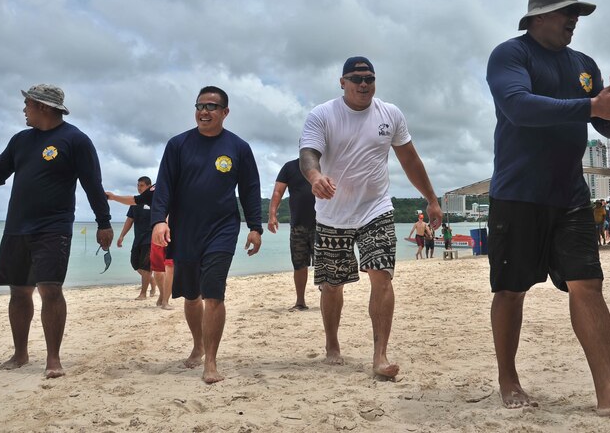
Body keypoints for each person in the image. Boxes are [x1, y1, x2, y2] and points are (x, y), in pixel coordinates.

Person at [486, 0, 610, 415]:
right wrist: (591, 107)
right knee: (511, 290)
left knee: (588, 284)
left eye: (578, 14)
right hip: (518, 194)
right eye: (567, 12)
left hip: (568, 195)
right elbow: (519, 106)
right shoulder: (511, 55)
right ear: (538, 16)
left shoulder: (583, 63)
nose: (575, 20)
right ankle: (508, 379)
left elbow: (603, 125)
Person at [0, 84, 114, 378]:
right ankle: (20, 354)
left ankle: (53, 359)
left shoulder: (75, 140)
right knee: (19, 292)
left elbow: (92, 183)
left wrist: (103, 222)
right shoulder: (21, 140)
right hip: (17, 227)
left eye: (27, 103)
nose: (23, 109)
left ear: (43, 106)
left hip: (54, 227)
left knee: (50, 290)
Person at [300, 56, 442, 379]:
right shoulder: (322, 115)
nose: (364, 84)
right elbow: (308, 154)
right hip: (332, 212)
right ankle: (332, 343)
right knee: (332, 286)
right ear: (342, 82)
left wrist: (432, 199)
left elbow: (410, 160)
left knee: (381, 275)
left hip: (375, 209)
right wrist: (315, 178)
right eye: (356, 78)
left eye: (369, 78)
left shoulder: (390, 115)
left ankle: (380, 355)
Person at [150, 86, 262, 384]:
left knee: (214, 293)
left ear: (225, 112)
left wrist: (255, 226)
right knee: (190, 296)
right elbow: (164, 186)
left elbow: (250, 189)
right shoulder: (178, 145)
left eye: (212, 106)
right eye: (200, 105)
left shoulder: (238, 148)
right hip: (185, 230)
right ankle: (198, 345)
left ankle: (210, 362)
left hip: (222, 229)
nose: (204, 111)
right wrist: (159, 221)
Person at [268, 158, 316, 311]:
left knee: (325, 264)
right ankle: (300, 302)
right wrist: (272, 215)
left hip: (322, 224)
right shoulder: (289, 167)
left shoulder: (324, 164)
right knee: (299, 265)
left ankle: (327, 298)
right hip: (298, 225)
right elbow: (278, 192)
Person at [106, 177, 164, 303]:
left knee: (146, 266)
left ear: (149, 186)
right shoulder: (135, 203)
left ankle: (143, 293)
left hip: (151, 239)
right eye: (138, 185)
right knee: (135, 264)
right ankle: (151, 281)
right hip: (138, 238)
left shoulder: (156, 200)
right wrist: (122, 236)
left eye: (142, 185)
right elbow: (129, 220)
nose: (139, 187)